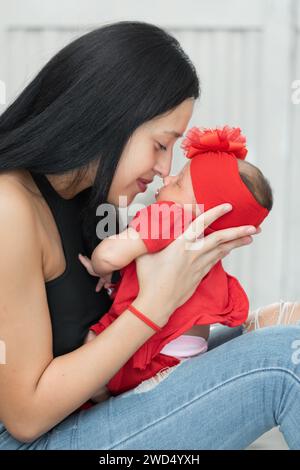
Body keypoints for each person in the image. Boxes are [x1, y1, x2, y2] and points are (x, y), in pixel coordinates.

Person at [0, 21, 299, 450]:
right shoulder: (9, 205)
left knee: (286, 339)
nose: (165, 169)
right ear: (107, 118)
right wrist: (155, 305)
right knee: (288, 365)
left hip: (93, 412)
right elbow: (26, 418)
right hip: (31, 441)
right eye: (161, 145)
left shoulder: (90, 199)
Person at [78, 125, 273, 398]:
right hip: (187, 354)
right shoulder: (205, 244)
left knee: (87, 349)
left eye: (179, 183)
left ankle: (100, 396)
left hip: (153, 355)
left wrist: (98, 264)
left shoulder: (170, 215)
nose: (167, 178)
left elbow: (110, 255)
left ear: (203, 210)